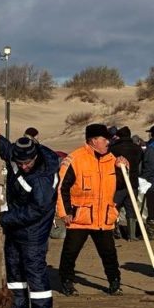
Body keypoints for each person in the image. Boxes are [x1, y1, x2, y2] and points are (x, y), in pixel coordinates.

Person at [56, 124, 129, 296]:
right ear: (93, 140)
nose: (108, 142)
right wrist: (64, 212)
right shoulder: (75, 159)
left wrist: (123, 169)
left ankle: (114, 282)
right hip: (80, 216)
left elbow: (120, 185)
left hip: (104, 217)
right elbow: (62, 188)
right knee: (71, 252)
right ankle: (66, 281)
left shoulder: (112, 159)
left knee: (109, 253)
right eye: (104, 139)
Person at [0, 136, 60, 308]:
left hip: (34, 229)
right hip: (15, 225)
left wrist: (3, 218)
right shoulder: (15, 155)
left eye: (28, 163)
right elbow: (4, 147)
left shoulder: (43, 177)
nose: (24, 166)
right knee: (14, 267)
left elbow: (36, 210)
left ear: (35, 157)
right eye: (20, 163)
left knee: (34, 270)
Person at [109, 127, 142, 241]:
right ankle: (132, 235)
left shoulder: (114, 148)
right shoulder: (137, 148)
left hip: (119, 183)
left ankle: (113, 231)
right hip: (133, 181)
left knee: (114, 207)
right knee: (131, 208)